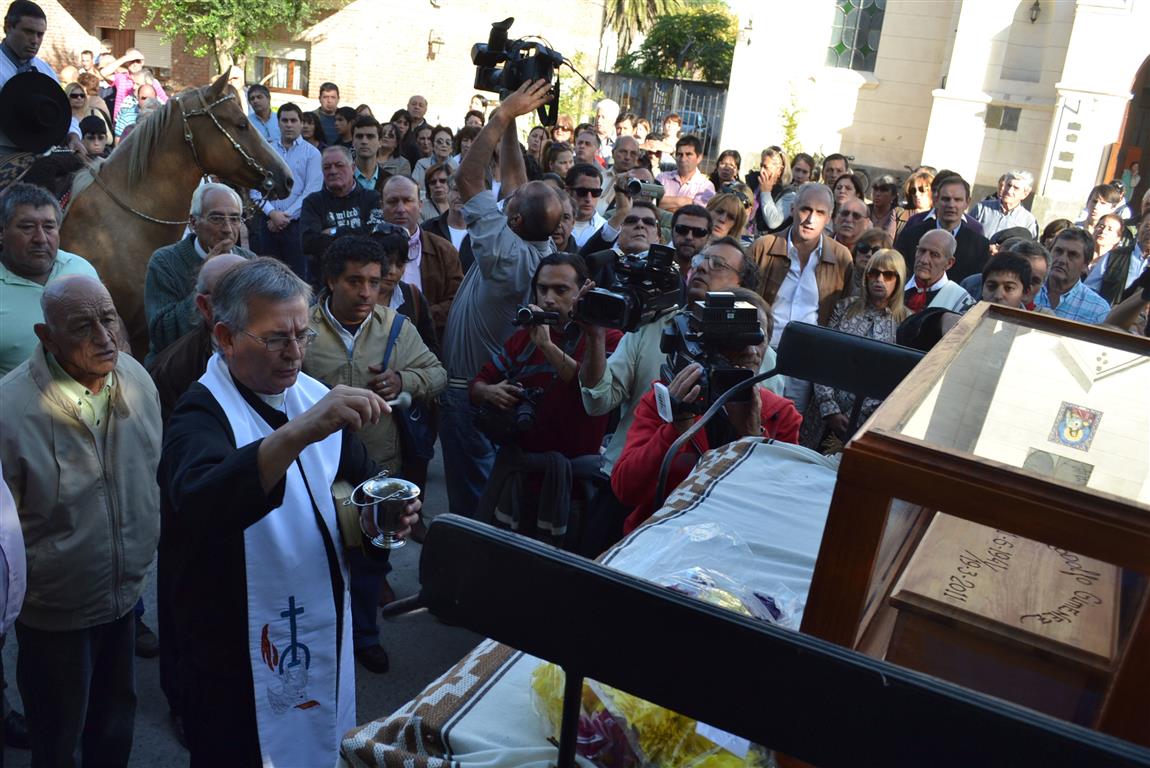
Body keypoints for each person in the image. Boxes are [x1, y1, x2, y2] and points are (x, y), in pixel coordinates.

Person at [157, 257, 419, 765]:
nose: (295, 353)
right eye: (276, 338)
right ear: (225, 337)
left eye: (303, 335)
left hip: (321, 621)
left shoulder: (312, 396)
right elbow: (201, 504)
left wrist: (385, 515)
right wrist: (300, 431)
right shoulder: (200, 411)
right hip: (235, 644)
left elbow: (361, 487)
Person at [0, 275, 161, 768]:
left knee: (115, 723)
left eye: (108, 318)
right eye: (83, 326)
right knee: (58, 734)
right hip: (54, 612)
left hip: (125, 596)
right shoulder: (9, 410)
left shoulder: (136, 378)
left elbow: (151, 472)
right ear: (47, 337)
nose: (105, 337)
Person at [303, 236, 445, 671]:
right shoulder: (302, 327)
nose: (366, 292)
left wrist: (404, 382)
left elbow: (437, 374)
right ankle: (318, 640)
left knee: (370, 560)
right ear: (331, 281)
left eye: (375, 281)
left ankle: (364, 636)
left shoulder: (397, 327)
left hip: (378, 471)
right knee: (315, 560)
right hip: (313, 469)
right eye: (354, 281)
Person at [579, 238, 775, 551]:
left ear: (743, 286)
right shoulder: (650, 326)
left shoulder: (765, 360)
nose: (703, 267)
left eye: (718, 264)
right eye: (700, 260)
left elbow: (770, 489)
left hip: (721, 530)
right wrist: (595, 338)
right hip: (630, 500)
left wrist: (749, 432)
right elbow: (598, 400)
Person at [438, 79, 561, 519]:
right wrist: (512, 127)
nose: (507, 196)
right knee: (489, 495)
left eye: (512, 203)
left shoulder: (505, 253)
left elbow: (468, 177)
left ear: (515, 219)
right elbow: (516, 182)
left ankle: (468, 559)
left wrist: (502, 114)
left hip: (470, 393)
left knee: (473, 506)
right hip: (490, 389)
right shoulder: (536, 243)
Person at [611, 288, 800, 534]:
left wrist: (752, 436)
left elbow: (779, 507)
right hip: (659, 537)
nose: (750, 350)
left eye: (758, 336)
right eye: (737, 335)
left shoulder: (781, 415)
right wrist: (675, 429)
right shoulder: (665, 399)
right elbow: (626, 490)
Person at [470, 253, 622, 543]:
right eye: (542, 289)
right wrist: (490, 392)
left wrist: (547, 347)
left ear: (583, 290)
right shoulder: (523, 339)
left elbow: (591, 391)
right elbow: (477, 385)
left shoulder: (607, 338)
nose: (549, 299)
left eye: (561, 290)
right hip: (519, 482)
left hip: (576, 488)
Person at [748, 183, 852, 411]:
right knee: (757, 413)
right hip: (762, 352)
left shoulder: (841, 258)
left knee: (792, 421)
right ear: (792, 209)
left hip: (807, 360)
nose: (810, 219)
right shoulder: (763, 247)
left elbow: (842, 314)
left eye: (820, 213)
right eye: (806, 209)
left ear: (829, 218)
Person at [805, 249, 909, 451]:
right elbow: (824, 357)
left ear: (899, 279)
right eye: (874, 273)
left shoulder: (905, 322)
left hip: (867, 423)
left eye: (888, 275)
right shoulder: (844, 307)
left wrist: (857, 416)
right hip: (823, 414)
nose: (879, 280)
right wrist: (829, 408)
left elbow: (896, 379)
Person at [146, 183, 256, 362]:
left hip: (238, 363)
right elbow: (162, 335)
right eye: (216, 218)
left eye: (235, 219)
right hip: (180, 366)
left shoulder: (249, 261)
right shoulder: (165, 262)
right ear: (193, 223)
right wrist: (205, 278)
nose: (227, 229)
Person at [0, 183, 99, 376]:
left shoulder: (81, 268)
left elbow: (112, 321)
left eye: (49, 227)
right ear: (2, 232)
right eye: (27, 227)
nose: (40, 238)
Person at [380, 174, 464, 340]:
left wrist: (419, 316)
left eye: (408, 201)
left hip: (430, 342)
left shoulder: (444, 250)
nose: (401, 209)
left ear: (420, 205)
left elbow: (457, 300)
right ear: (382, 206)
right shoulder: (366, 251)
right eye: (393, 202)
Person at [249, 102, 323, 280]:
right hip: (267, 223)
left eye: (293, 120)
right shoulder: (266, 150)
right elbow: (255, 189)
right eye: (284, 120)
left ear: (301, 123)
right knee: (267, 277)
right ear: (278, 123)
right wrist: (272, 213)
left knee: (296, 278)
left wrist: (285, 217)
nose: (289, 125)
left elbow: (312, 191)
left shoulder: (312, 154)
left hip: (297, 225)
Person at [0, 1, 83, 151]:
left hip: (41, 153)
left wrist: (73, 135)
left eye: (40, 34)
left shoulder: (46, 71)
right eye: (28, 32)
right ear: (8, 27)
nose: (35, 41)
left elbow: (62, 112)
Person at [300, 145, 384, 282]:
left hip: (365, 277)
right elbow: (309, 243)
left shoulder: (372, 198)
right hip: (326, 280)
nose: (333, 171)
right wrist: (359, 233)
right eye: (327, 167)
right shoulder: (312, 202)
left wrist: (334, 231)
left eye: (339, 165)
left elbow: (376, 236)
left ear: (353, 168)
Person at [895, 174, 990, 283]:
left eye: (957, 200)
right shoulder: (911, 235)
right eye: (946, 199)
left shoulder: (979, 245)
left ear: (967, 203)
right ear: (935, 201)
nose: (951, 205)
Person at [1033, 228, 1111, 323]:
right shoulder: (1027, 289)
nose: (1062, 260)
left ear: (1085, 265)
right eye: (1058, 251)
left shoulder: (1098, 310)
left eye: (1072, 255)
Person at [903, 229, 975, 313]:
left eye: (934, 255)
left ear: (949, 263)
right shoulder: (896, 282)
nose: (924, 260)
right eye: (922, 251)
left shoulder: (961, 301)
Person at [1087, 216, 1149, 306]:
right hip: (1108, 312)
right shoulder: (1113, 256)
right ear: (1139, 227)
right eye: (1147, 226)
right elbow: (1090, 290)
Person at [970, 169, 1039, 239]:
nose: (1009, 191)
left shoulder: (1028, 221)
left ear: (1025, 194)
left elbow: (1029, 245)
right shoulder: (982, 208)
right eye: (1008, 185)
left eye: (1016, 188)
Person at [656, 135, 716, 212]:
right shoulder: (662, 178)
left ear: (699, 158)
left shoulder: (706, 186)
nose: (683, 159)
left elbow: (698, 214)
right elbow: (652, 203)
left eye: (688, 154)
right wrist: (684, 201)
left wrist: (663, 203)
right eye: (679, 154)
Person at [751, 147, 797, 233]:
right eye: (761, 166)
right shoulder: (755, 183)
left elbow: (773, 222)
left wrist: (765, 193)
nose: (761, 171)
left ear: (779, 170)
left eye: (766, 167)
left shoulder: (789, 194)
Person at [596, 135, 641, 213]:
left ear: (637, 158)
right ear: (613, 153)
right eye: (623, 152)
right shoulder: (599, 177)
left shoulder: (640, 185)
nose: (627, 157)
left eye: (633, 153)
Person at [566, 163, 607, 248]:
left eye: (595, 192)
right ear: (568, 191)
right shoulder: (554, 224)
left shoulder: (605, 229)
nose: (589, 199)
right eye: (582, 192)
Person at [847, 227, 893, 296]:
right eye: (864, 248)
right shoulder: (842, 276)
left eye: (876, 251)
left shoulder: (888, 289)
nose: (869, 254)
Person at [350, 115, 388, 194]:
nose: (364, 141)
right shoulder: (342, 178)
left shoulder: (389, 180)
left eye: (370, 136)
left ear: (380, 142)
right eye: (359, 136)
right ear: (353, 141)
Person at [868, 174, 908, 241]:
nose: (877, 194)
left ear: (893, 196)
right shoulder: (865, 211)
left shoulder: (899, 215)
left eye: (883, 190)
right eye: (875, 189)